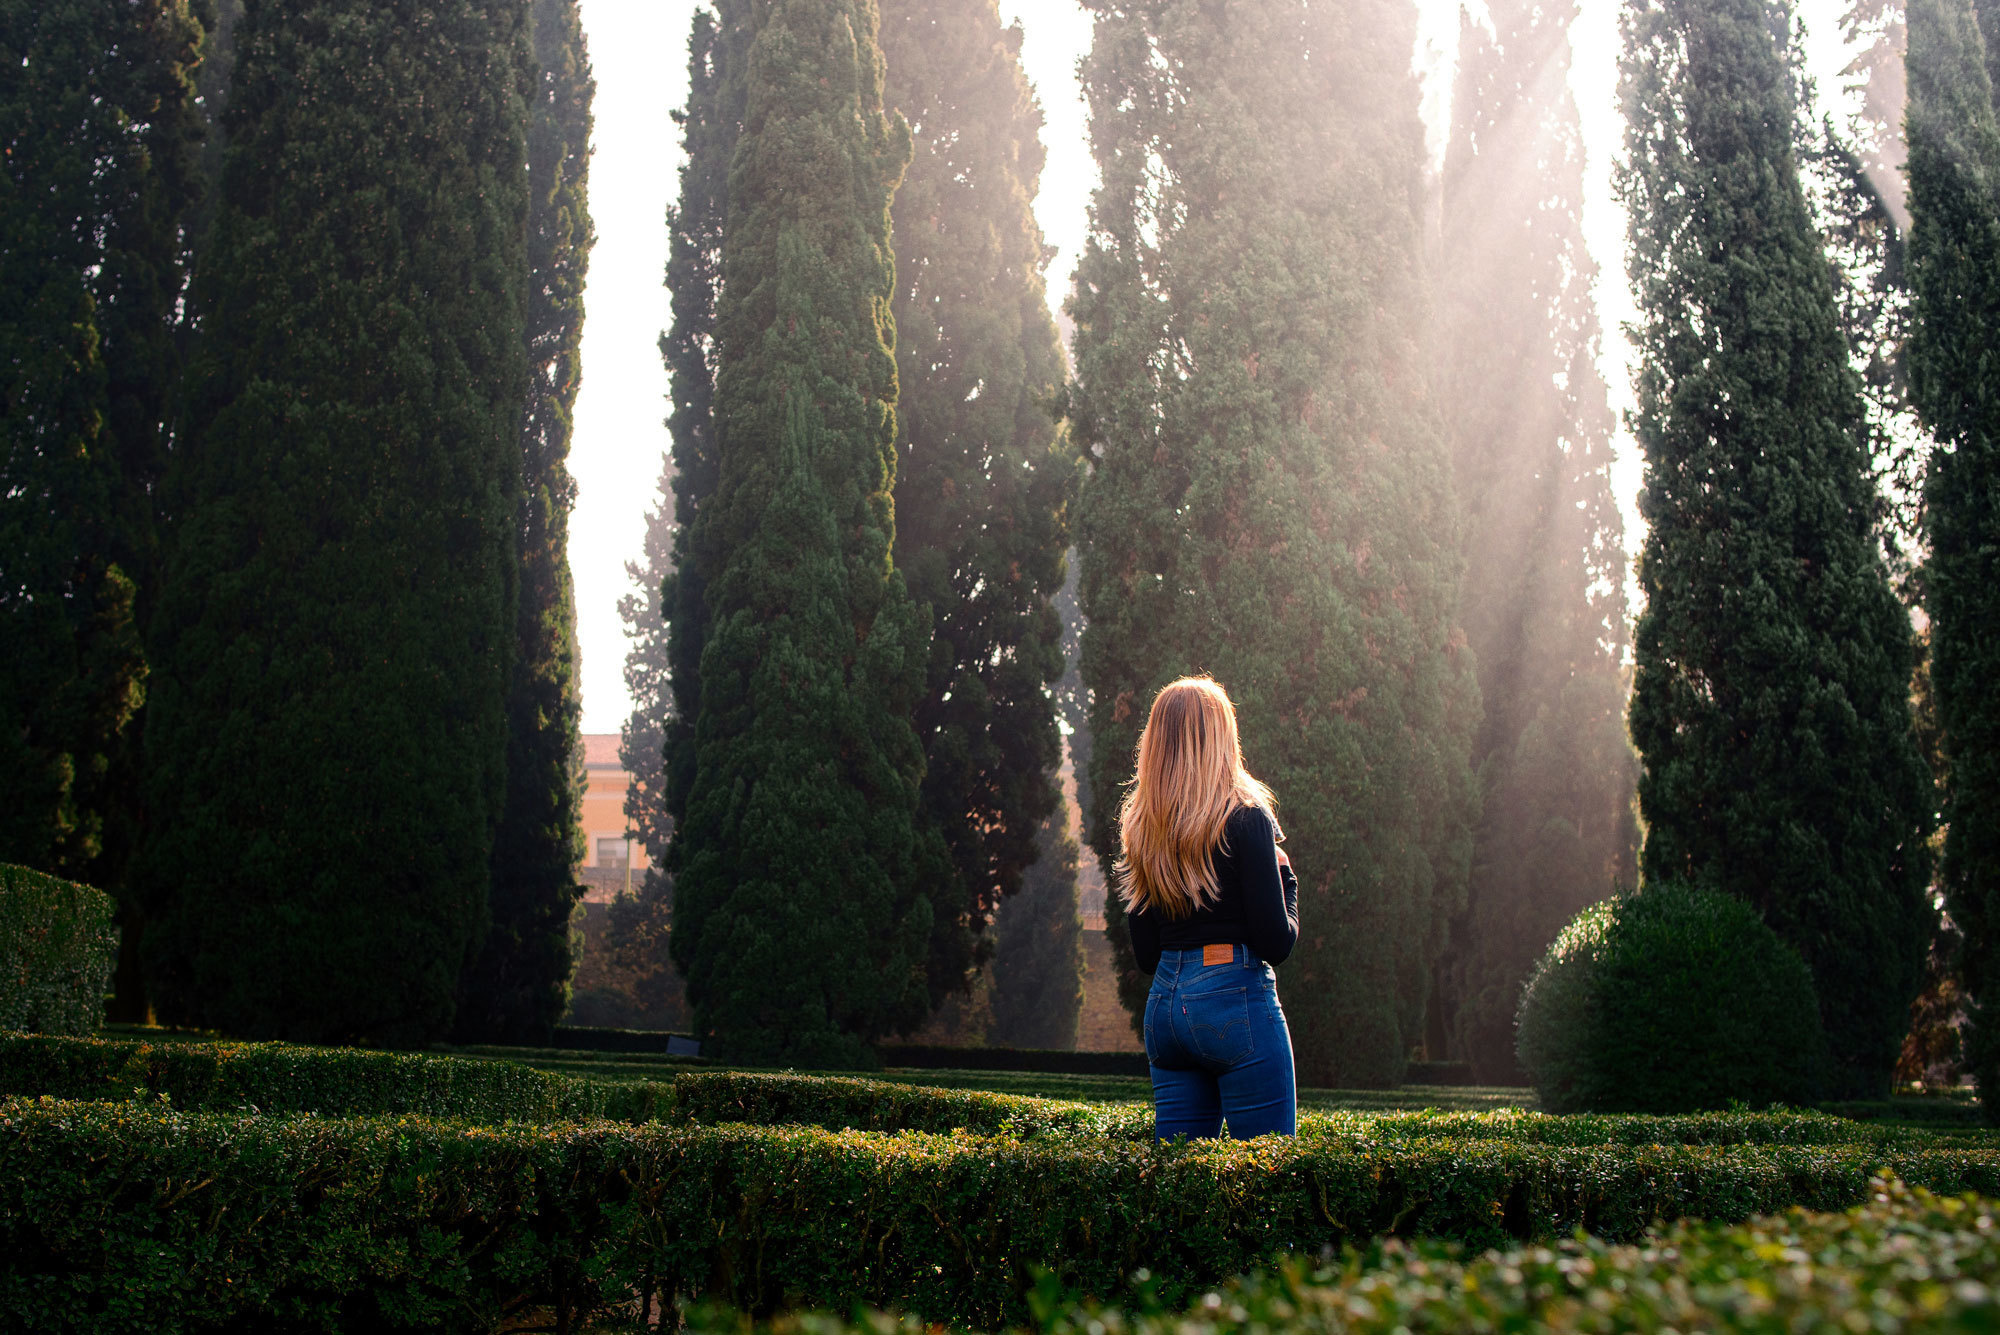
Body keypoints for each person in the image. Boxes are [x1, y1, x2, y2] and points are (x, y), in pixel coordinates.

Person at [1117, 676, 1299, 1140]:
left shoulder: (1141, 829)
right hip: (1234, 1001)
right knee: (1267, 1178)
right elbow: (1275, 943)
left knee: (1181, 1187)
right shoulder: (1247, 819)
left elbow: (1145, 955)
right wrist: (1286, 881)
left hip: (1165, 1010)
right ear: (1221, 740)